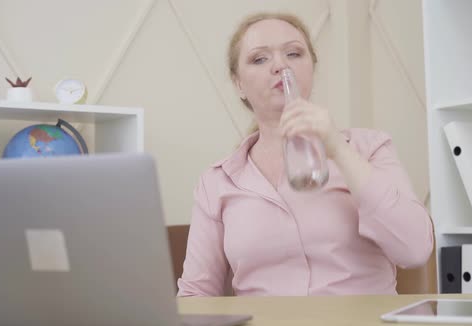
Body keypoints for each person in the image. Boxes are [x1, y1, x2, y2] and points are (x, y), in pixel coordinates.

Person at [177, 12, 433, 297]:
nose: (280, 65)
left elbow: (414, 249)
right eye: (260, 58)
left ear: (312, 67)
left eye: (294, 53)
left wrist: (336, 147)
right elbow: (196, 295)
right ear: (238, 84)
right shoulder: (217, 182)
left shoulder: (369, 148)